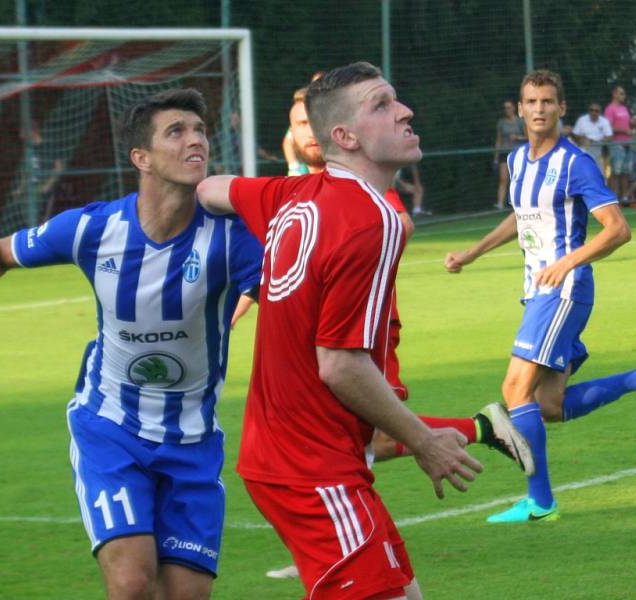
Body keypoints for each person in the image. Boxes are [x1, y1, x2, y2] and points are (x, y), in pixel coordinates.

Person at [0, 89, 263, 600]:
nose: (196, 139)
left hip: (192, 437)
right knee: (133, 583)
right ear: (141, 158)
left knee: (185, 596)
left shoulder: (233, 237)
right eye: (176, 131)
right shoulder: (95, 228)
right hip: (111, 425)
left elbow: (291, 295)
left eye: (199, 129)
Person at [198, 61, 487, 600]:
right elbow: (340, 364)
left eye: (395, 99)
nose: (404, 111)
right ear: (345, 136)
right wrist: (423, 441)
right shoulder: (371, 221)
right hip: (311, 468)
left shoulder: (293, 195)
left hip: (294, 458)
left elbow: (212, 189)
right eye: (381, 104)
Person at [263, 86, 533, 582]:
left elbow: (393, 226)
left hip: (362, 336)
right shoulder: (299, 186)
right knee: (376, 440)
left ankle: (478, 428)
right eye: (296, 126)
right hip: (308, 430)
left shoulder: (366, 200)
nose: (304, 134)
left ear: (333, 134)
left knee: (381, 435)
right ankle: (481, 427)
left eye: (308, 124)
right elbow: (221, 195)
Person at [444, 70, 636, 524]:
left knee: (513, 389)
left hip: (563, 291)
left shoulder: (575, 163)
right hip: (537, 292)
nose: (539, 109)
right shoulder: (518, 160)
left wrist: (568, 262)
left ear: (561, 108)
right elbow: (520, 218)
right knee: (548, 406)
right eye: (531, 102)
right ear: (520, 109)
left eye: (547, 102)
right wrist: (472, 252)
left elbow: (619, 229)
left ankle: (541, 502)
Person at [493, 99, 526, 210]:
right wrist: (496, 156)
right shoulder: (501, 123)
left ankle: (517, 202)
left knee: (517, 178)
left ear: (514, 108)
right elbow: (499, 140)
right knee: (503, 178)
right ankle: (500, 204)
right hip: (504, 153)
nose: (507, 110)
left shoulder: (520, 121)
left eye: (509, 107)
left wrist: (517, 137)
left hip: (518, 153)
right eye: (505, 108)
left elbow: (529, 137)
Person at [604, 86, 633, 203]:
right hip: (616, 144)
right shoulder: (610, 109)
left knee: (625, 172)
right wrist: (624, 131)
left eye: (624, 94)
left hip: (628, 144)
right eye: (621, 93)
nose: (623, 96)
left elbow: (628, 124)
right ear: (614, 94)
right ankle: (613, 198)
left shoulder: (624, 108)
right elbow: (609, 127)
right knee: (616, 172)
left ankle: (624, 198)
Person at [570, 103, 613, 174]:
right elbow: (575, 134)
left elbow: (609, 136)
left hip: (598, 152)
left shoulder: (604, 121)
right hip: (583, 152)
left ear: (600, 112)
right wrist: (582, 138)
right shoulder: (582, 120)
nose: (594, 112)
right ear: (589, 111)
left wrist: (595, 142)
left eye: (596, 111)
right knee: (583, 173)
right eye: (591, 110)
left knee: (599, 174)